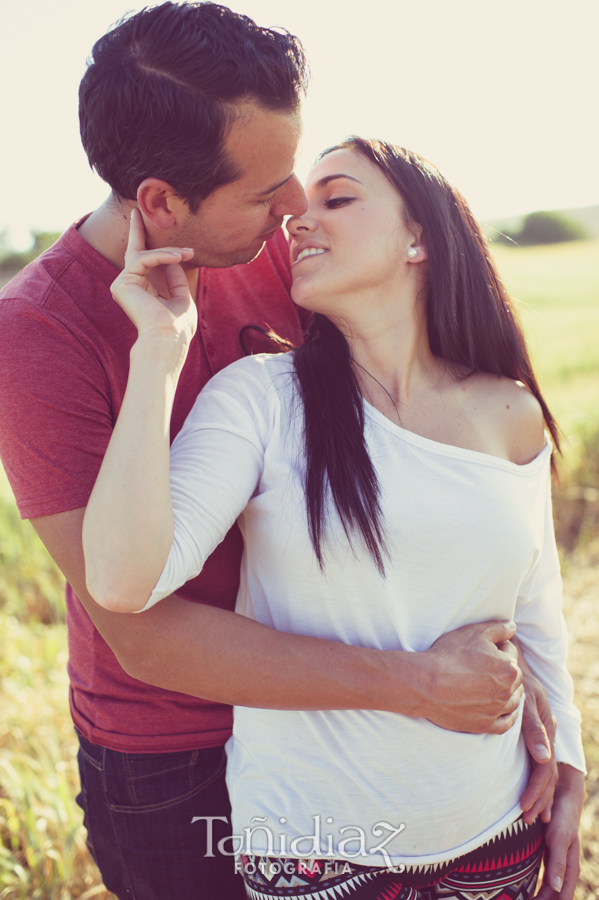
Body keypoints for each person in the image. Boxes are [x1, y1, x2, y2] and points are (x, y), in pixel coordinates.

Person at [0, 2, 559, 897]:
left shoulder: (279, 251)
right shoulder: (37, 334)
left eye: (298, 176)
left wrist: (532, 710)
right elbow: (142, 632)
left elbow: (444, 471)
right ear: (160, 203)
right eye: (267, 192)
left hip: (358, 719)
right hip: (173, 758)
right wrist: (420, 685)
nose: (296, 207)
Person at [83, 138, 585, 900]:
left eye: (336, 199)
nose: (298, 221)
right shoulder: (260, 398)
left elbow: (533, 606)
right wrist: (161, 347)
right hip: (318, 853)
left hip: (497, 830)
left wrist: (572, 763)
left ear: (419, 237)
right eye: (298, 205)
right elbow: (124, 581)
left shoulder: (507, 410)